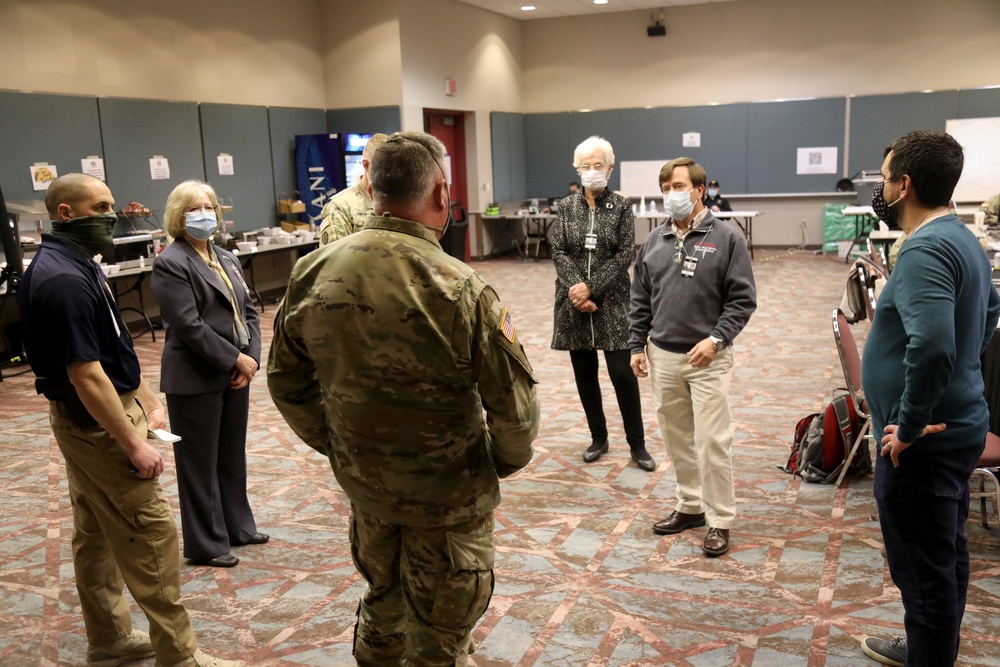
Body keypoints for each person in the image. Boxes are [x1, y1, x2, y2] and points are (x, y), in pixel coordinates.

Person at [267, 131, 539, 666]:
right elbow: (515, 414)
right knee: (440, 635)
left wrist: (340, 444)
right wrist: (497, 464)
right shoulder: (460, 287)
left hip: (366, 486)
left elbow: (285, 382)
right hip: (447, 498)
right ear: (441, 194)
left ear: (371, 187)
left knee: (383, 604)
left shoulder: (312, 271)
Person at [16, 173, 240, 667]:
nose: (113, 216)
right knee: (152, 533)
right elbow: (86, 375)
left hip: (97, 416)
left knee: (94, 531)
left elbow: (110, 350)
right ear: (67, 214)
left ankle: (109, 638)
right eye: (101, 208)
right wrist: (134, 444)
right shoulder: (62, 279)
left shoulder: (76, 264)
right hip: (98, 426)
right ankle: (179, 655)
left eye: (112, 205)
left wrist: (143, 398)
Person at [860, 130, 1000, 667]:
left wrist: (912, 421)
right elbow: (988, 312)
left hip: (923, 444)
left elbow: (935, 343)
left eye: (886, 177)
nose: (883, 187)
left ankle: (929, 653)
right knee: (943, 558)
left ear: (905, 184)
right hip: (955, 428)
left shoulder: (925, 247)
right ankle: (928, 647)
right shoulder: (960, 235)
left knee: (923, 572)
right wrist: (964, 363)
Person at [629, 157, 757, 557]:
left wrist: (717, 340)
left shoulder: (727, 238)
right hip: (663, 355)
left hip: (707, 358)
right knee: (677, 436)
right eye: (665, 188)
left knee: (712, 441)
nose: (671, 195)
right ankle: (690, 505)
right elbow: (640, 298)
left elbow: (742, 300)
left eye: (679, 187)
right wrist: (636, 345)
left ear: (699, 190)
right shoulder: (654, 240)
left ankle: (720, 518)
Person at [150, 180, 268, 569]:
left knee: (231, 454)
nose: (204, 214)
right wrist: (235, 359)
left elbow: (248, 311)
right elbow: (188, 325)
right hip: (196, 375)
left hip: (236, 370)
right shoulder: (171, 261)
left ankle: (238, 527)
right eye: (194, 208)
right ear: (177, 216)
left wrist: (249, 358)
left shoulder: (225, 256)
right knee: (198, 463)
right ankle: (206, 543)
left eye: (209, 206)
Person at [550, 136, 654, 471]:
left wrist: (591, 289)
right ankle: (598, 437)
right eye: (586, 166)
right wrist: (578, 291)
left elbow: (625, 253)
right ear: (576, 169)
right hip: (572, 301)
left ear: (610, 167)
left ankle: (637, 444)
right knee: (584, 373)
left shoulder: (622, 206)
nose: (592, 171)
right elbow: (560, 251)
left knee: (622, 374)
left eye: (598, 165)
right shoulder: (565, 207)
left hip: (612, 300)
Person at [317, 132, 389, 245]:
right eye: (383, 169)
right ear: (366, 165)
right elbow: (334, 258)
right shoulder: (340, 206)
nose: (389, 175)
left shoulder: (398, 201)